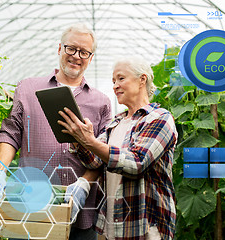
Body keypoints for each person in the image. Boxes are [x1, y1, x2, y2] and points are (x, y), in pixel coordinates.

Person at [0, 23, 112, 240]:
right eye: (71, 48)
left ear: (91, 57)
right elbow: (10, 134)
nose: (76, 56)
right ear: (59, 48)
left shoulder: (101, 102)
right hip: (30, 207)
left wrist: (84, 184)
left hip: (80, 215)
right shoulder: (27, 88)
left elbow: (104, 154)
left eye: (84, 52)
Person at [58, 56, 177, 240]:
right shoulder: (115, 123)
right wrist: (77, 138)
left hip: (145, 228)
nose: (115, 86)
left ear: (142, 80)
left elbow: (137, 163)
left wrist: (90, 141)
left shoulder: (159, 118)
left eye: (121, 78)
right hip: (110, 225)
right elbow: (95, 161)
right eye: (113, 81)